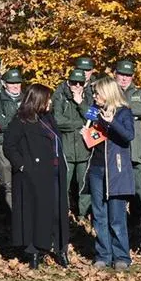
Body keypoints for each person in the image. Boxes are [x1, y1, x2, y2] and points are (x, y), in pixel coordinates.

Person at [3, 84, 69, 269]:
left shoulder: (48, 118)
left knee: (57, 211)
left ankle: (60, 248)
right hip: (33, 175)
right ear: (38, 99)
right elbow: (9, 146)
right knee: (35, 213)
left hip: (54, 172)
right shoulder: (21, 120)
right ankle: (34, 251)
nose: (50, 102)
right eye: (47, 98)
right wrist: (23, 165)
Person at [85, 76, 135, 270]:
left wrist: (111, 121)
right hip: (97, 168)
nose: (95, 96)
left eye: (97, 93)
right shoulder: (95, 111)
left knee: (116, 216)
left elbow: (128, 136)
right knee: (99, 214)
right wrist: (87, 134)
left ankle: (121, 255)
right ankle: (103, 254)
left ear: (107, 94)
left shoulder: (123, 113)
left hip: (116, 169)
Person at [114, 60, 141, 232]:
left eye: (128, 75)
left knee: (138, 188)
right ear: (115, 74)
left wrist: (124, 107)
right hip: (115, 149)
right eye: (121, 74)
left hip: (135, 150)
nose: (124, 79)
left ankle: (136, 222)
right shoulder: (109, 91)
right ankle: (118, 222)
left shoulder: (138, 93)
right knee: (117, 189)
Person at [53, 68, 92, 220]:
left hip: (84, 148)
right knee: (64, 184)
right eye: (73, 82)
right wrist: (79, 124)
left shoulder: (89, 95)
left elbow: (93, 116)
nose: (76, 86)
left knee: (84, 184)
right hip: (66, 148)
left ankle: (83, 214)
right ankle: (62, 213)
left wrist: (80, 103)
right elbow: (57, 121)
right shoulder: (60, 96)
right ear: (68, 82)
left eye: (80, 83)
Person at [0, 68, 24, 215]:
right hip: (2, 144)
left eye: (18, 82)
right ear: (4, 84)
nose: (16, 86)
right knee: (7, 184)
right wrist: (21, 122)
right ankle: (10, 215)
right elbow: (3, 126)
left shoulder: (27, 98)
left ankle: (23, 214)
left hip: (23, 146)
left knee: (23, 182)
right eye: (11, 83)